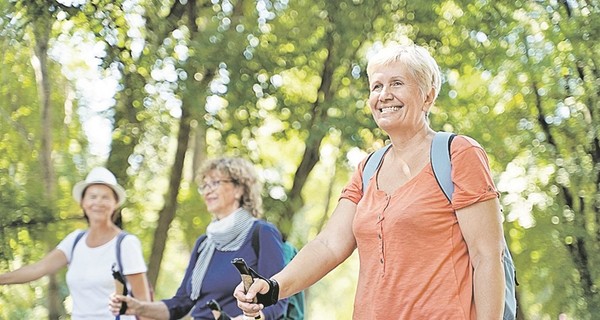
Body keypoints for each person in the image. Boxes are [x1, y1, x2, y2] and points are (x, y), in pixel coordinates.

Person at [234, 44, 506, 319]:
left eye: (397, 83)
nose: (384, 95)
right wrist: (272, 287)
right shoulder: (367, 168)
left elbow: (486, 257)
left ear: (428, 97)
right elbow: (329, 245)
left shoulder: (458, 154)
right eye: (376, 87)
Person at [110, 157, 289, 320]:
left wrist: (250, 318)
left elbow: (278, 298)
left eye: (215, 183)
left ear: (239, 189)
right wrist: (139, 307)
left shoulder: (262, 233)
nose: (207, 190)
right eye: (204, 185)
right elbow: (181, 304)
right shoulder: (205, 244)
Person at [0, 167, 152, 320]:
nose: (98, 202)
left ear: (115, 203)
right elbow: (38, 268)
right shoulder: (75, 241)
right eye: (92, 196)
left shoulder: (126, 244)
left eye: (105, 197)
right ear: (83, 202)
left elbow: (144, 305)